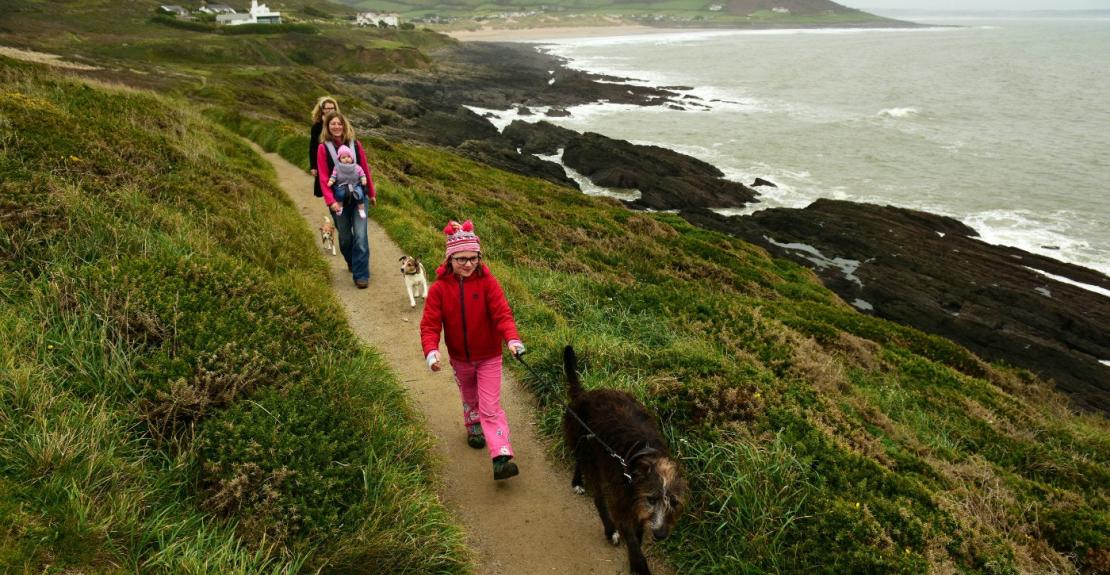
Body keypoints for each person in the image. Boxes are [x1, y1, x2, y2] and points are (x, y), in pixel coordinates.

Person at [420, 220, 525, 481]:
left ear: (479, 257)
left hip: (490, 356)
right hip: (459, 358)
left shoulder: (489, 284)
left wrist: (512, 339)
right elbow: (430, 325)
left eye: (473, 258)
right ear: (449, 259)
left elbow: (503, 315)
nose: (468, 264)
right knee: (469, 396)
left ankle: (501, 456)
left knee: (490, 406)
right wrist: (431, 350)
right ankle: (472, 425)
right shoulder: (438, 290)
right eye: (461, 259)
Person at [317, 111, 376, 288]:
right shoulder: (323, 148)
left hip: (359, 196)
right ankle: (351, 260)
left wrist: (371, 193)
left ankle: (361, 274)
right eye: (332, 124)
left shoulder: (355, 145)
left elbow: (364, 169)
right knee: (345, 238)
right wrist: (331, 201)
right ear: (327, 127)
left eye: (339, 123)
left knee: (360, 235)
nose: (336, 127)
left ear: (344, 125)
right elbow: (323, 177)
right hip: (338, 199)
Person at [326, 145, 369, 217]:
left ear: (352, 157)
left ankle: (361, 209)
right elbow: (334, 175)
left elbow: (362, 174)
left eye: (348, 157)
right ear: (339, 159)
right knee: (339, 195)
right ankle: (340, 207)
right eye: (343, 157)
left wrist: (363, 179)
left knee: (360, 194)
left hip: (355, 184)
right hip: (342, 185)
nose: (346, 159)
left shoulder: (356, 167)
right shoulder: (337, 167)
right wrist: (331, 181)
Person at [309, 96, 339, 198]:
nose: (330, 110)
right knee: (326, 186)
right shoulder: (317, 126)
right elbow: (313, 147)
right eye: (327, 108)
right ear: (322, 110)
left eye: (332, 108)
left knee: (338, 187)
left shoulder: (338, 124)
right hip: (322, 160)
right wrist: (313, 166)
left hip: (337, 159)